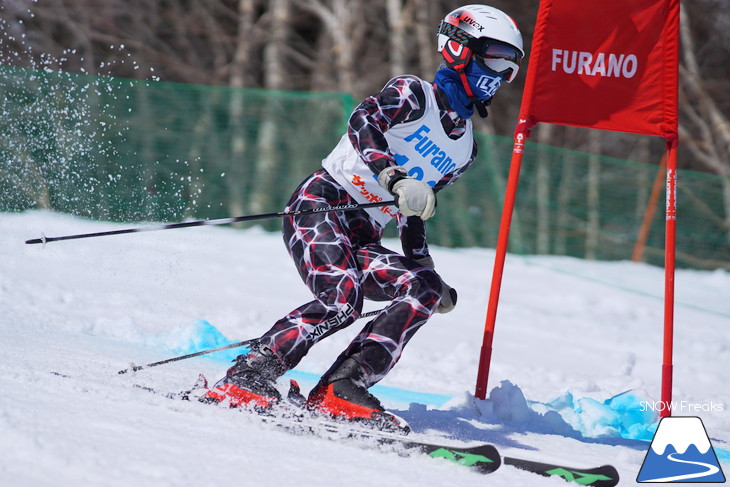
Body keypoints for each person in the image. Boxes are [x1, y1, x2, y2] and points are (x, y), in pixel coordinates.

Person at [202, 4, 524, 430]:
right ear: (459, 47)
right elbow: (363, 120)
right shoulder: (414, 94)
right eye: (496, 57)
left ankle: (341, 387)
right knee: (344, 299)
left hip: (363, 234)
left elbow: (413, 212)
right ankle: (249, 374)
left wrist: (427, 272)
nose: (500, 76)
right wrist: (393, 176)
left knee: (420, 288)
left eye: (510, 68)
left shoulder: (465, 150)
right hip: (322, 205)